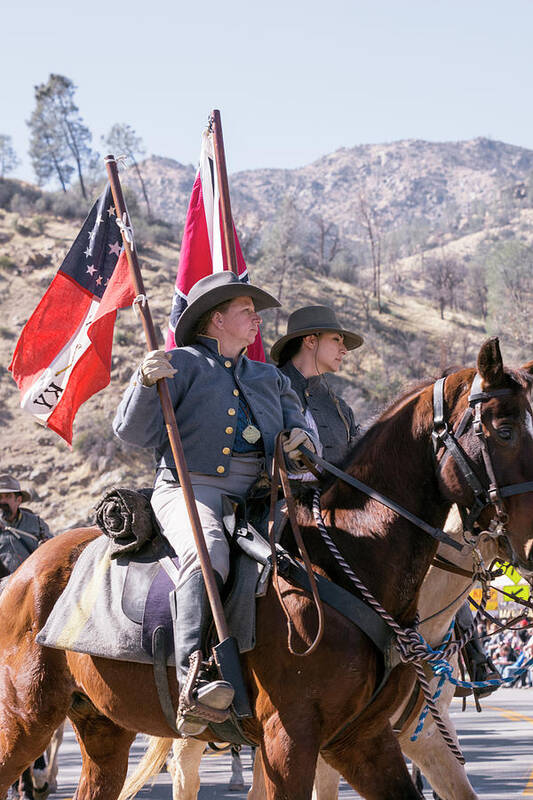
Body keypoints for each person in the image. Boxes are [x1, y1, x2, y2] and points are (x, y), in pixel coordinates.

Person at [113, 271, 318, 735]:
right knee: (208, 551)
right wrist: (143, 385)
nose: (257, 321)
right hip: (189, 489)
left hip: (259, 496)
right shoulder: (178, 363)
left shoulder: (268, 376)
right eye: (247, 312)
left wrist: (299, 439)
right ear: (216, 319)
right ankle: (193, 677)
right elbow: (131, 434)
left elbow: (294, 434)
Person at [0, 475, 51, 800]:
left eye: (8, 496)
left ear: (19, 499)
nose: (3, 501)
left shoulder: (35, 524)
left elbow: (50, 552)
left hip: (34, 600)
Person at [270, 305, 363, 468]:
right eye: (336, 340)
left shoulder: (341, 408)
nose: (344, 350)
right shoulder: (266, 388)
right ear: (311, 341)